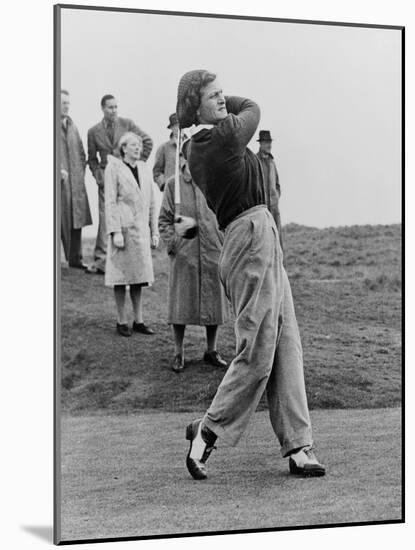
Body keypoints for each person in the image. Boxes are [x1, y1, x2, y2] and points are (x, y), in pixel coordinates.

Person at [176, 70, 325, 480]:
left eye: (224, 94)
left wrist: (211, 98)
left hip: (265, 236)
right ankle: (206, 431)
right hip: (247, 238)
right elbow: (253, 107)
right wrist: (216, 105)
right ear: (196, 108)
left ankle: (299, 446)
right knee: (258, 352)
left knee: (286, 345)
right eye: (213, 97)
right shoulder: (208, 142)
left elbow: (241, 110)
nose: (224, 101)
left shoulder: (219, 136)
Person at [158, 161, 228, 372]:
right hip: (185, 254)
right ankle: (178, 352)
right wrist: (174, 244)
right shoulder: (173, 185)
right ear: (183, 157)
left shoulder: (213, 182)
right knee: (181, 303)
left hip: (212, 250)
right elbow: (164, 220)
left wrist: (222, 240)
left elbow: (225, 213)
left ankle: (211, 350)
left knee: (214, 301)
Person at [87, 94, 153, 274]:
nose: (114, 110)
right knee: (105, 215)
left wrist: (136, 164)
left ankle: (128, 256)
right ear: (102, 109)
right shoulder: (93, 132)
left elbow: (147, 141)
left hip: (125, 179)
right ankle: (101, 260)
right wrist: (98, 176)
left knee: (128, 215)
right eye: (110, 107)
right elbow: (92, 159)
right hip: (105, 180)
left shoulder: (128, 124)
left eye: (116, 107)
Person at [104, 132, 159, 337]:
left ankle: (139, 320)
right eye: (133, 145)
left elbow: (152, 202)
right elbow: (110, 201)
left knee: (138, 277)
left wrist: (154, 230)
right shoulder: (114, 168)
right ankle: (121, 320)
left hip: (140, 232)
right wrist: (115, 231)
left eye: (139, 145)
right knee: (120, 277)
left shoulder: (144, 169)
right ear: (124, 148)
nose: (138, 148)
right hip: (123, 230)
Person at [60, 89, 92, 268]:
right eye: (63, 102)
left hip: (75, 185)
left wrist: (80, 174)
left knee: (76, 220)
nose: (66, 106)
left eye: (67, 103)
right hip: (58, 185)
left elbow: (81, 152)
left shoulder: (73, 125)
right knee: (58, 221)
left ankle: (76, 260)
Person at [256, 130, 283, 249]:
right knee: (262, 243)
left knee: (276, 242)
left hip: (274, 209)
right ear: (261, 144)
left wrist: (275, 197)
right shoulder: (255, 161)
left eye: (269, 142)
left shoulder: (272, 163)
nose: (269, 145)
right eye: (266, 142)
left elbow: (277, 185)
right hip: (261, 210)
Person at [152, 113, 185, 191]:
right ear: (171, 128)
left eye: (181, 125)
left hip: (190, 192)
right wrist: (165, 185)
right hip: (172, 192)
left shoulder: (192, 145)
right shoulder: (164, 148)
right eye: (176, 126)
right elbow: (157, 172)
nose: (179, 128)